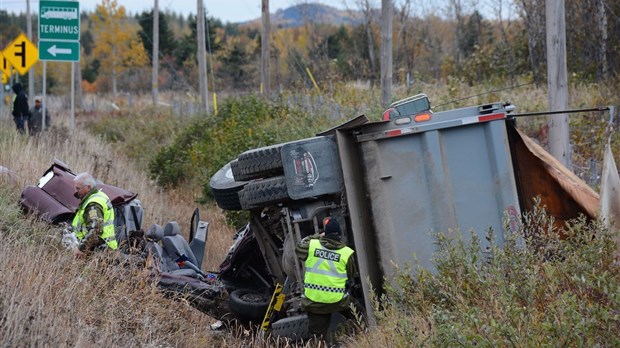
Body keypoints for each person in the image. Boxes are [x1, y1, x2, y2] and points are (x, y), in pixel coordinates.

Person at [296, 218, 356, 343]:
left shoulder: (312, 246)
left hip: (314, 302)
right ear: (340, 235)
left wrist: (317, 236)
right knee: (360, 317)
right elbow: (350, 275)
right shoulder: (346, 252)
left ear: (325, 234)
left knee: (317, 338)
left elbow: (300, 245)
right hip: (339, 301)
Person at [72, 172, 118, 257]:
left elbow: (95, 230)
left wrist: (81, 248)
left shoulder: (93, 205)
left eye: (78, 189)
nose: (76, 191)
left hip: (100, 250)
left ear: (88, 187)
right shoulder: (99, 195)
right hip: (103, 248)